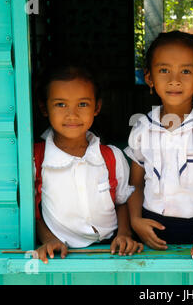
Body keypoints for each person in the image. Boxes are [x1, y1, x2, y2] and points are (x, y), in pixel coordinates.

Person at [124, 31, 193, 268]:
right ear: (149, 78)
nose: (175, 79)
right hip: (149, 229)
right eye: (164, 70)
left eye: (185, 71)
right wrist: (135, 221)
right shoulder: (141, 126)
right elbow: (136, 184)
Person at [34, 64, 143, 263]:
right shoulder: (37, 159)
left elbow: (122, 202)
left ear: (97, 107)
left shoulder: (111, 156)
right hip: (62, 252)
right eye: (60, 104)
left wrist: (125, 234)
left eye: (82, 104)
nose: (72, 114)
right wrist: (49, 240)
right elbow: (33, 210)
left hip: (112, 249)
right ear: (44, 108)